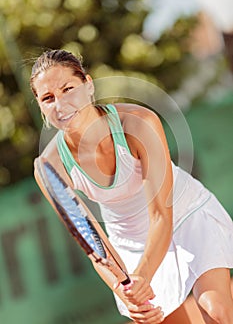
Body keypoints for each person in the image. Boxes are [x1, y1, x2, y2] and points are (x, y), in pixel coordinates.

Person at [31, 49, 233, 324]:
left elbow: (162, 215)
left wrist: (144, 276)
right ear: (41, 106)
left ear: (88, 86)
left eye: (68, 89)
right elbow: (94, 246)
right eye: (48, 98)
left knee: (217, 313)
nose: (60, 104)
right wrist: (123, 288)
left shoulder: (138, 124)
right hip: (128, 243)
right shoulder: (49, 167)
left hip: (186, 215)